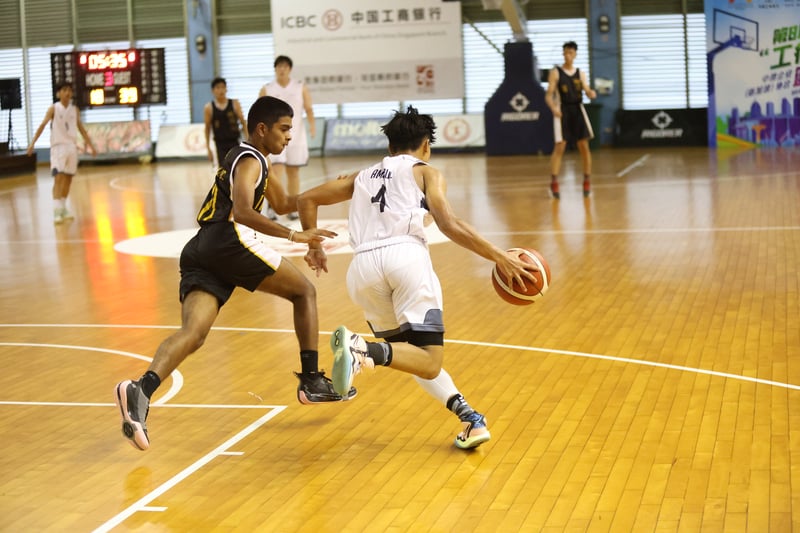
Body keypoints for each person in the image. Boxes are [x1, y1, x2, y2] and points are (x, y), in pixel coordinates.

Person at [114, 96, 355, 452]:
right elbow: (242, 211)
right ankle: (310, 380)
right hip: (227, 240)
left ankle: (140, 390)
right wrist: (294, 235)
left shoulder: (253, 159)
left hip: (202, 249)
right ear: (262, 129)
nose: (289, 136)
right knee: (304, 293)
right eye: (284, 128)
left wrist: (334, 189)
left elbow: (287, 203)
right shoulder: (249, 160)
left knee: (193, 334)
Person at [297, 106, 538, 449]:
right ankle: (361, 348)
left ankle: (470, 418)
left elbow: (306, 198)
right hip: (405, 259)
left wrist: (313, 244)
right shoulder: (426, 172)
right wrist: (499, 256)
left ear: (391, 145)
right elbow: (449, 223)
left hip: (362, 269)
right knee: (425, 358)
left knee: (409, 355)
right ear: (426, 145)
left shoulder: (362, 175)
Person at [27, 82, 97, 224]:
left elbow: (81, 129)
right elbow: (42, 125)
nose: (67, 93)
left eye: (69, 90)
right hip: (58, 147)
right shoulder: (53, 108)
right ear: (58, 93)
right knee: (58, 177)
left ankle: (63, 208)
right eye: (64, 90)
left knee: (68, 178)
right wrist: (32, 143)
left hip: (71, 147)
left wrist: (91, 146)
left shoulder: (74, 109)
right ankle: (56, 211)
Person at [258, 55, 316, 220]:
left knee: (294, 172)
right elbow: (259, 111)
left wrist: (312, 126)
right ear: (275, 69)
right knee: (276, 172)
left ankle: (293, 207)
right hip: (275, 136)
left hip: (296, 135)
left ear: (290, 69)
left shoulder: (300, 87)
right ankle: (271, 206)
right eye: (279, 66)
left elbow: (309, 108)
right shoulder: (267, 89)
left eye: (285, 66)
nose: (282, 69)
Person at [546, 41, 597, 200]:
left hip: (577, 109)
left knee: (584, 145)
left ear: (575, 54)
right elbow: (548, 94)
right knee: (560, 146)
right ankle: (554, 181)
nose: (568, 55)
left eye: (571, 53)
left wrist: (590, 93)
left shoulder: (580, 73)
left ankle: (587, 180)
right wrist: (553, 108)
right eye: (566, 52)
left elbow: (587, 89)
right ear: (563, 54)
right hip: (562, 109)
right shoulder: (556, 72)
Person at [204, 77, 248, 166]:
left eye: (223, 87)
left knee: (237, 168)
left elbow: (243, 122)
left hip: (235, 142)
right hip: (220, 144)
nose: (221, 90)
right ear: (213, 91)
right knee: (223, 172)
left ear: (226, 89)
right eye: (218, 88)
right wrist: (208, 148)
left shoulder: (234, 103)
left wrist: (248, 140)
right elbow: (207, 128)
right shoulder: (209, 108)